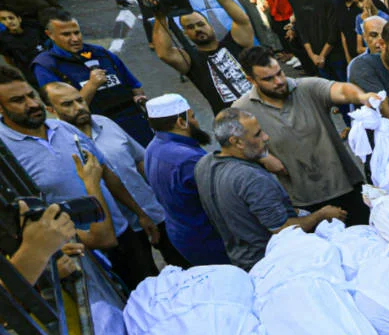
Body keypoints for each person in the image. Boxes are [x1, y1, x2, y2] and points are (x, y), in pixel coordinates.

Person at [0, 65, 158, 288]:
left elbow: (106, 173)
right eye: (18, 100)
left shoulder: (63, 128)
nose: (33, 104)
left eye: (31, 95)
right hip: (85, 253)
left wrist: (140, 213)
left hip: (124, 235)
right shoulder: (6, 155)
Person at [233, 46, 378, 225]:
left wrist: (362, 96)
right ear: (251, 80)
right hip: (304, 201)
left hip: (346, 187)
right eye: (268, 79)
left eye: (279, 73)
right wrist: (263, 157)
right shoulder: (242, 110)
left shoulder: (307, 88)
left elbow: (341, 90)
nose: (278, 81)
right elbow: (235, 147)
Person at [43, 82, 176, 266]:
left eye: (80, 100)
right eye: (67, 104)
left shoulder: (105, 122)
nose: (79, 108)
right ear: (50, 109)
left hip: (151, 210)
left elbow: (139, 160)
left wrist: (164, 196)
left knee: (183, 262)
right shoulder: (59, 147)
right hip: (119, 229)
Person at [197, 108, 346, 269]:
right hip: (275, 263)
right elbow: (283, 230)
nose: (266, 137)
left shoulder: (204, 164)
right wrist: (321, 215)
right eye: (257, 134)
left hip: (241, 260)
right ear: (237, 142)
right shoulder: (251, 179)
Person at [30, 11, 151, 145]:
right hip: (98, 132)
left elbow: (134, 85)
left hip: (135, 123)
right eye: (66, 34)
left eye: (77, 32)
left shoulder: (100, 52)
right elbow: (65, 111)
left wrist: (139, 98)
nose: (75, 39)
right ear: (50, 35)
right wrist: (92, 85)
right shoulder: (46, 65)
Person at [141, 93, 231, 266]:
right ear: (181, 123)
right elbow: (224, 201)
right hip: (209, 241)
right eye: (192, 117)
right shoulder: (189, 159)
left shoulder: (153, 147)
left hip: (183, 236)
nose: (196, 122)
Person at [153, 0, 255, 115]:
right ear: (185, 33)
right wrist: (160, 15)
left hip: (259, 107)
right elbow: (164, 53)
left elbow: (242, 20)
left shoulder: (234, 42)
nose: (197, 29)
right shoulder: (190, 60)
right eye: (190, 27)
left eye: (201, 24)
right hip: (231, 120)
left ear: (210, 25)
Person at [283, 0, 351, 79]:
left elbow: (333, 30)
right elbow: (302, 28)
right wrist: (312, 55)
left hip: (335, 55)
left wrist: (322, 56)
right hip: (314, 56)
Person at [0, 9, 49, 76]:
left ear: (19, 19)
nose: (9, 21)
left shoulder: (34, 28)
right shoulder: (3, 40)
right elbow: (8, 59)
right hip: (32, 72)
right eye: (4, 19)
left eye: (11, 18)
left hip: (50, 62)